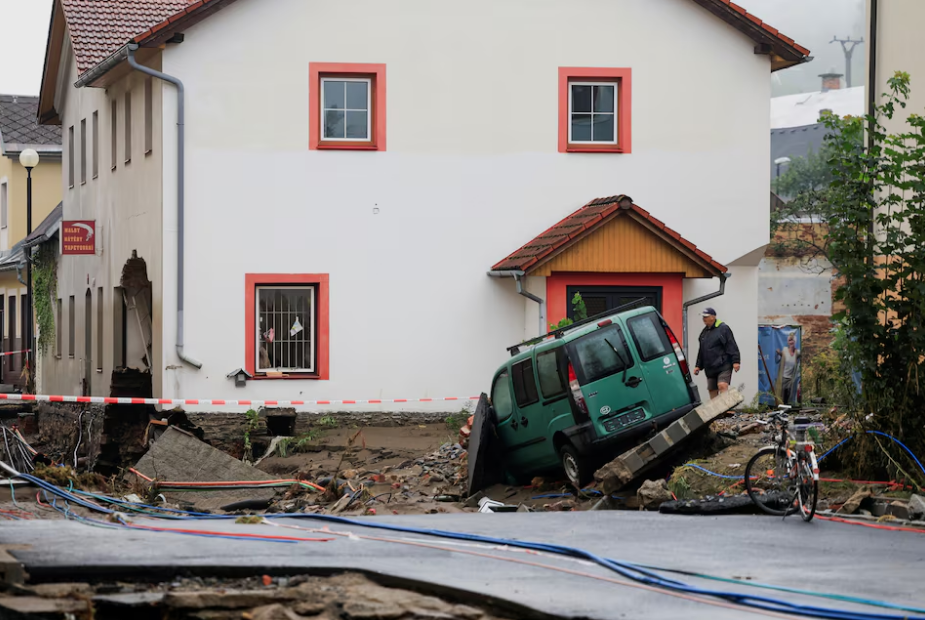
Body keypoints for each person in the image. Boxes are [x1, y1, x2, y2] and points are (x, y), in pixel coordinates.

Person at [693, 308, 741, 399]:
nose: (704, 319)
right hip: (710, 367)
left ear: (713, 317)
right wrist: (698, 366)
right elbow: (702, 350)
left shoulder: (723, 329)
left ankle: (725, 409)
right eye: (703, 317)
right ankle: (717, 412)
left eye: (706, 317)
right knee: (712, 390)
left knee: (722, 385)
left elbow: (731, 345)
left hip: (723, 364)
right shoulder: (704, 333)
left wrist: (736, 361)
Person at [776, 332, 801, 404]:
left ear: (795, 341)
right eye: (790, 340)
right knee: (783, 395)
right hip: (784, 377)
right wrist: (779, 353)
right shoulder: (785, 350)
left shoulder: (797, 352)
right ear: (788, 342)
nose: (791, 342)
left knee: (789, 395)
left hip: (791, 379)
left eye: (792, 340)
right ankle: (782, 409)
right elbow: (783, 356)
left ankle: (787, 409)